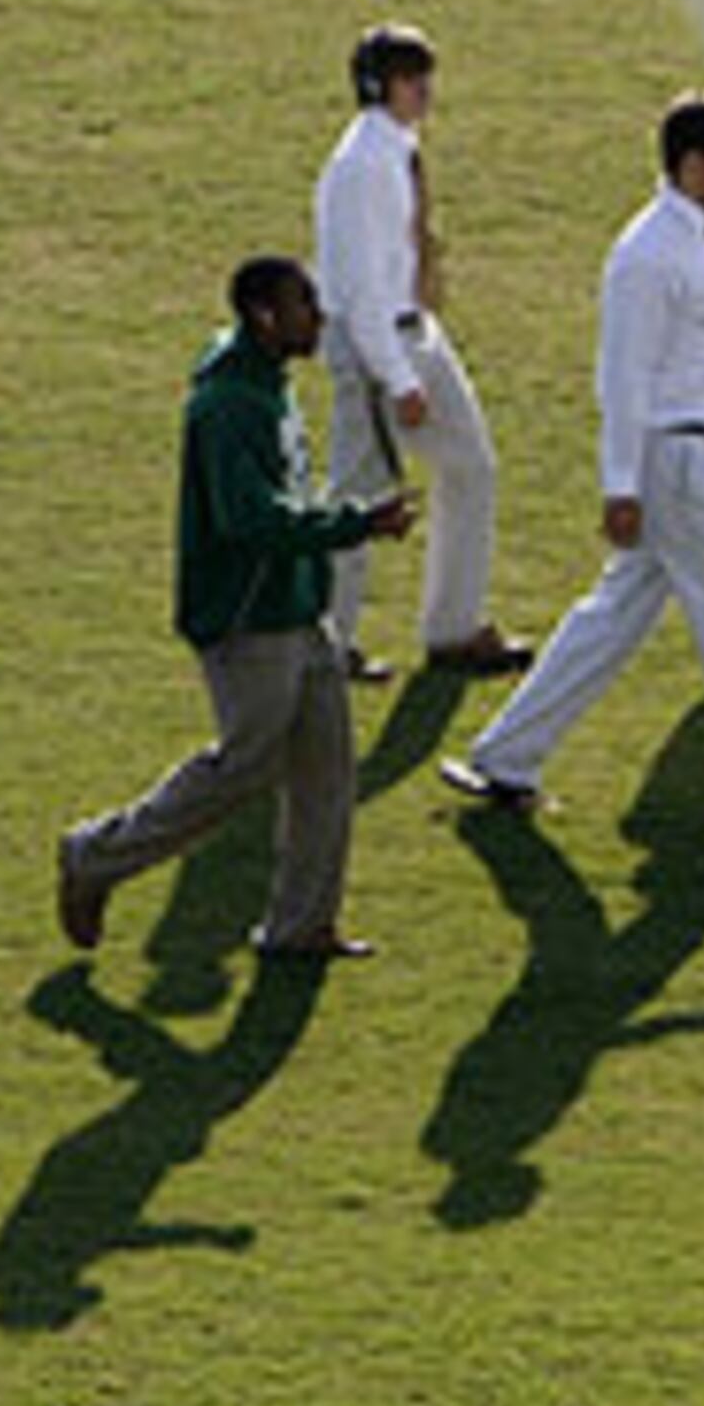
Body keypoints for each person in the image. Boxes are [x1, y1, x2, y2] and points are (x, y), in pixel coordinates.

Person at [434, 95, 704, 837]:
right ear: (693, 164)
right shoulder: (647, 256)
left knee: (612, 618)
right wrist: (620, 487)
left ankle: (506, 756)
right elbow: (622, 378)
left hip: (683, 456)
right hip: (678, 462)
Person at [57, 259, 414, 959]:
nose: (318, 316)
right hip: (249, 620)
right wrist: (355, 525)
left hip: (297, 608)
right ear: (263, 316)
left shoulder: (266, 385)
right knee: (244, 767)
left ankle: (300, 927)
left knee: (327, 770)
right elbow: (249, 520)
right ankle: (94, 856)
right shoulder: (229, 406)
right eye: (303, 304)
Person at [316, 23, 528, 680]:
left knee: (471, 467)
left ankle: (453, 628)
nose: (426, 92)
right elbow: (358, 288)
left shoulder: (394, 150)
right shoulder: (362, 167)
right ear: (380, 87)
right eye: (413, 80)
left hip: (415, 332)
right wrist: (398, 377)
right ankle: (324, 641)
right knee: (360, 499)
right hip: (382, 344)